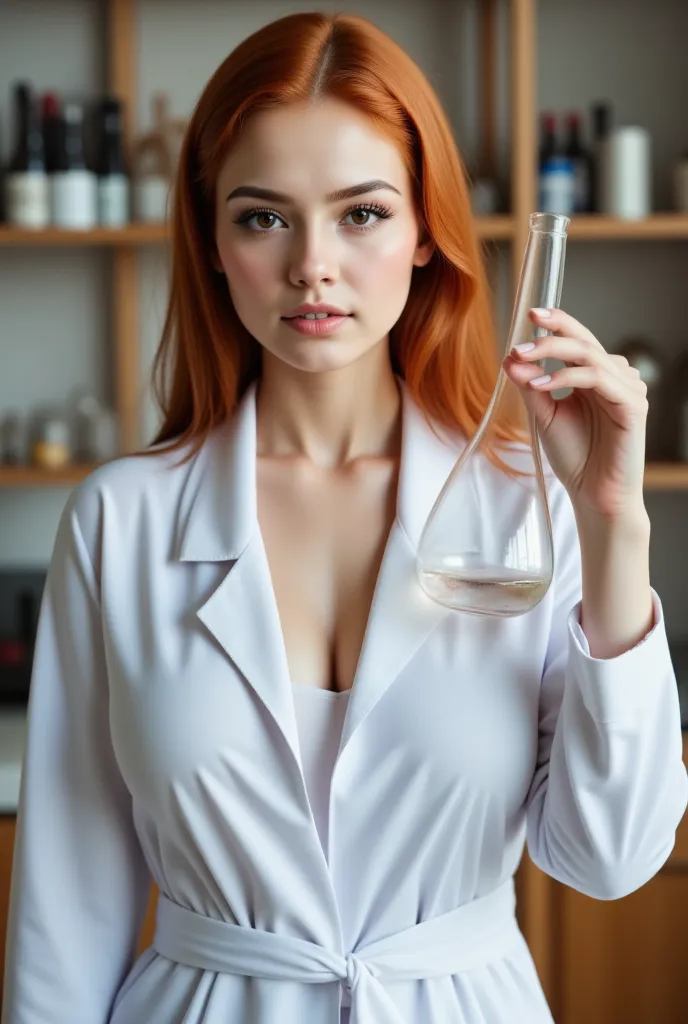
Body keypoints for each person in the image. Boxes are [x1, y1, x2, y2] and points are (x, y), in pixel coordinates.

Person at [2, 11, 687, 1024]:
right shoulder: (122, 521)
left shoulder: (524, 506)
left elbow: (609, 857)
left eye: (361, 213)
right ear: (214, 241)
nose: (311, 265)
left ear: (424, 234)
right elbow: (68, 901)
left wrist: (613, 524)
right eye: (264, 217)